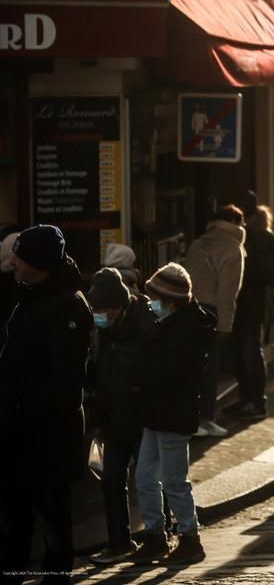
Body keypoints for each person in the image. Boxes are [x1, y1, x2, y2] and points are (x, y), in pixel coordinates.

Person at [0, 225, 91, 584]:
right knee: (15, 515)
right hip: (17, 431)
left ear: (38, 262)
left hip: (49, 434)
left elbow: (67, 382)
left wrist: (21, 407)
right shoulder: (26, 294)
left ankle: (55, 578)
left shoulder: (68, 305)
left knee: (53, 515)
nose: (13, 263)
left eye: (20, 258)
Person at [127, 263, 215, 567]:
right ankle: (155, 535)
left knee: (174, 479)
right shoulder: (168, 324)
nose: (151, 303)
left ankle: (189, 537)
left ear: (171, 300)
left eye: (155, 298)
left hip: (173, 414)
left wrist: (141, 378)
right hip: (156, 412)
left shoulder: (186, 330)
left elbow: (168, 371)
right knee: (144, 477)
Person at [85, 268, 156, 564]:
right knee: (111, 478)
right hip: (114, 419)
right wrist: (99, 421)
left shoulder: (146, 323)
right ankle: (119, 542)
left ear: (117, 306)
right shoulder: (103, 331)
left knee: (148, 480)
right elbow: (101, 377)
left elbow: (156, 371)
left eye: (102, 309)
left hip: (143, 418)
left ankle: (158, 537)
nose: (98, 315)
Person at [183, 204, 247, 438]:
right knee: (209, 367)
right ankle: (205, 419)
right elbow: (227, 292)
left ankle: (194, 417)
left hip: (189, 308)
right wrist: (225, 326)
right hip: (211, 311)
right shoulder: (233, 248)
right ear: (237, 224)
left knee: (191, 366)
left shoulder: (197, 243)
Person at [226, 205, 274, 420]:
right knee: (238, 353)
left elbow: (266, 274)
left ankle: (256, 401)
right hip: (239, 304)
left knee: (251, 352)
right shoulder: (242, 240)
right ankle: (246, 399)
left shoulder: (265, 241)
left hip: (252, 305)